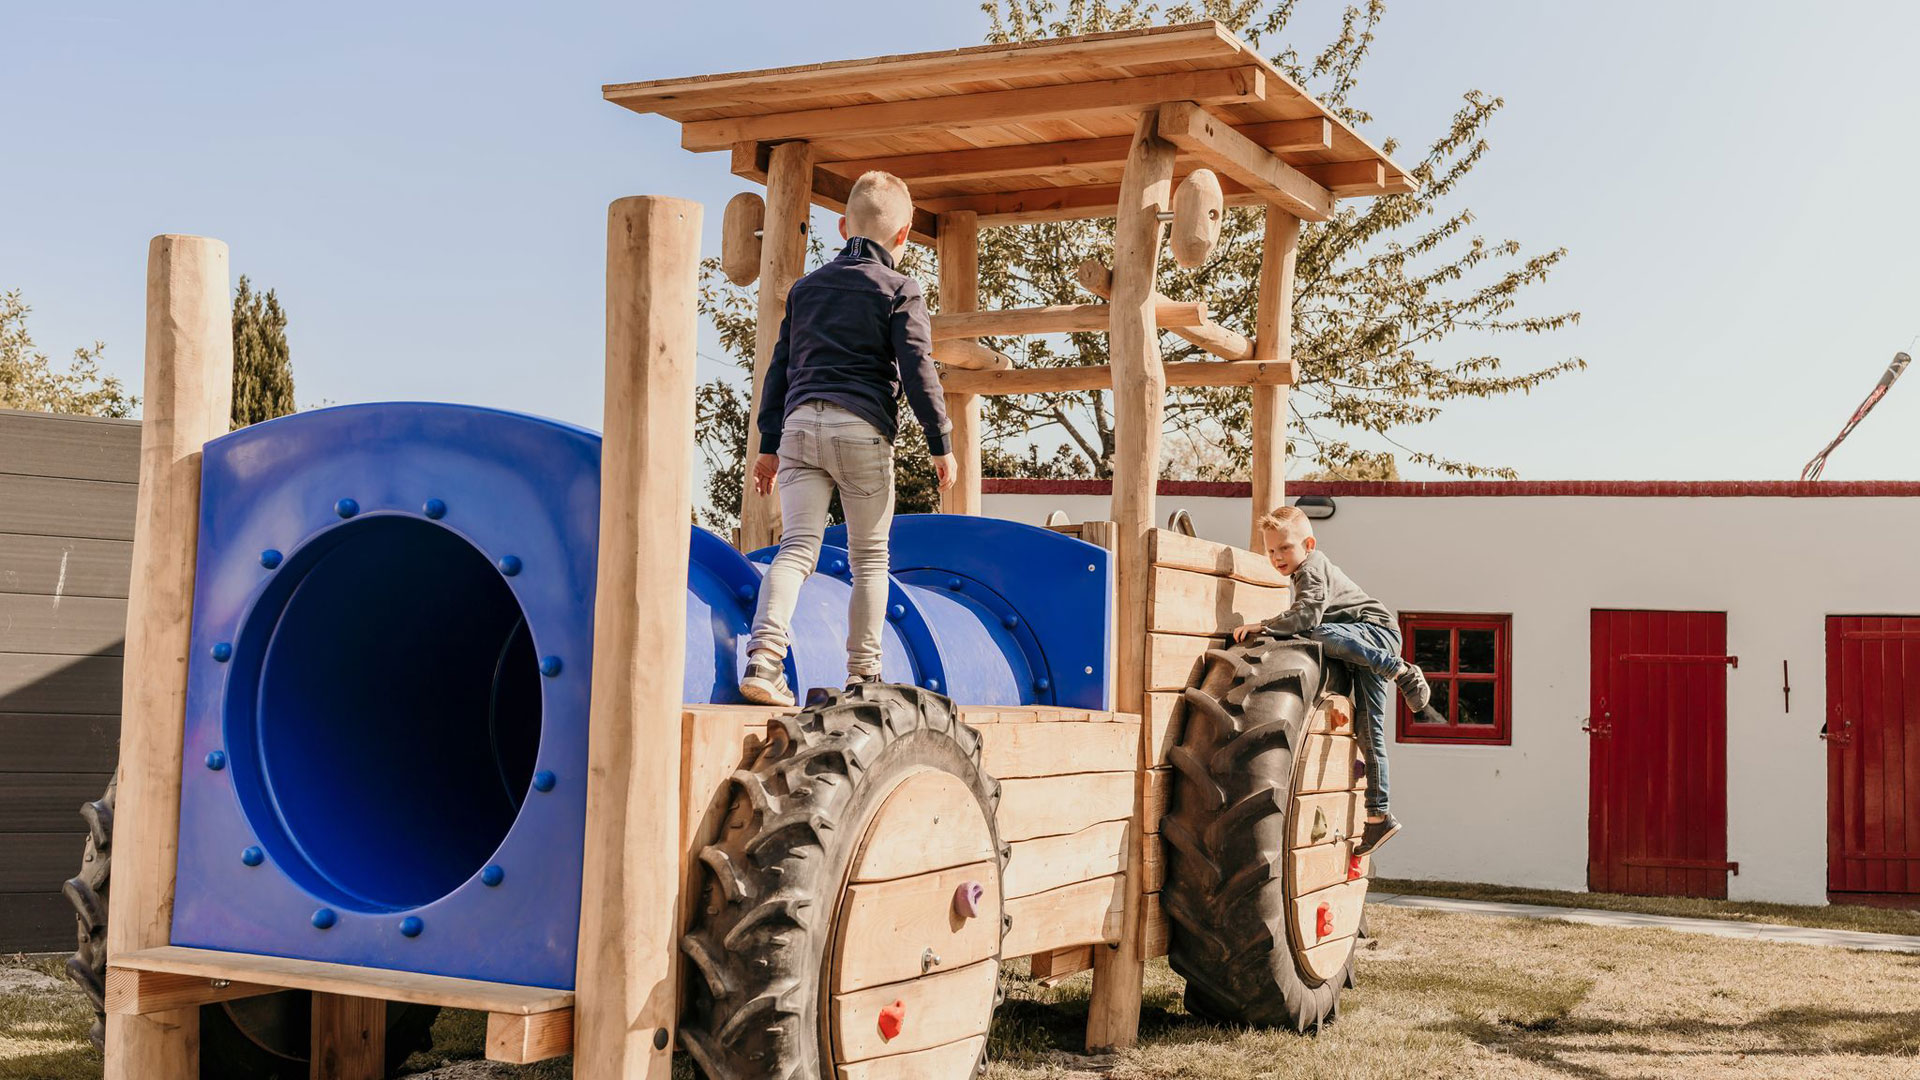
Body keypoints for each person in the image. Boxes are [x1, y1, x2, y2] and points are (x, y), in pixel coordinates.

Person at [738, 170, 955, 707]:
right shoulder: (900, 289)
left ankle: (764, 659)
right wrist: (940, 442)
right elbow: (917, 369)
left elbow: (778, 370)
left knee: (796, 549)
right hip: (861, 428)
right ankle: (863, 677)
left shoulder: (805, 289)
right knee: (870, 560)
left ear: (842, 227)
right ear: (903, 235)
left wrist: (767, 446)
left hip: (798, 427)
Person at [1232, 505, 1432, 855]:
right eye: (1271, 550)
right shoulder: (1303, 571)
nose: (1277, 557)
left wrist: (1263, 626)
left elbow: (1307, 616)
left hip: (1375, 632)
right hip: (1364, 641)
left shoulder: (1311, 568)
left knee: (1317, 632)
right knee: (1369, 730)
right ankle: (1379, 816)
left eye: (1285, 548)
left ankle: (1399, 669)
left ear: (1308, 545)